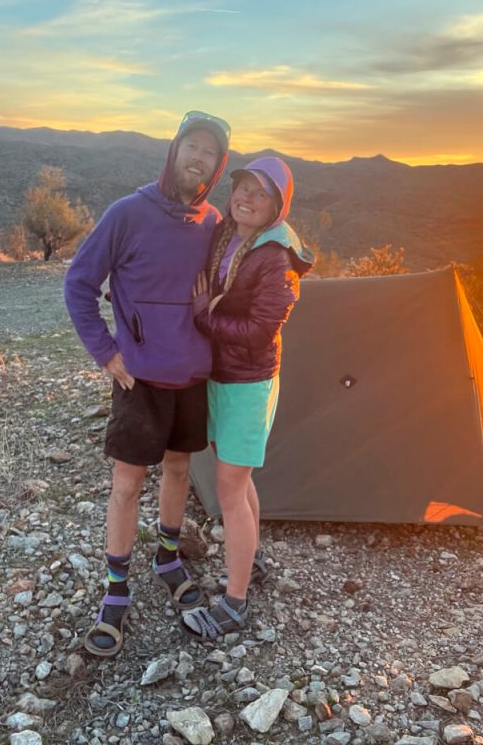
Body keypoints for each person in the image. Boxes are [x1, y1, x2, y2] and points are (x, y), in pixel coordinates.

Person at [64, 110, 231, 657]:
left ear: (218, 165)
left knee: (180, 469)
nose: (199, 158)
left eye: (210, 152)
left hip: (191, 376)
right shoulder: (127, 214)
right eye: (192, 146)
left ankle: (166, 555)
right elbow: (79, 284)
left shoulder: (214, 225)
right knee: (127, 485)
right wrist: (107, 354)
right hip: (138, 380)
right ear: (174, 150)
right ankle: (115, 589)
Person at [181, 156, 314, 641]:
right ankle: (249, 561)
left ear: (278, 205)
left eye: (261, 193)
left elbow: (259, 333)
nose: (247, 198)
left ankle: (234, 605)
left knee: (229, 490)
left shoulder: (277, 258)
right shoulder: (227, 236)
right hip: (222, 376)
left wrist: (203, 316)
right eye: (242, 186)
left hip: (247, 381)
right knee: (237, 478)